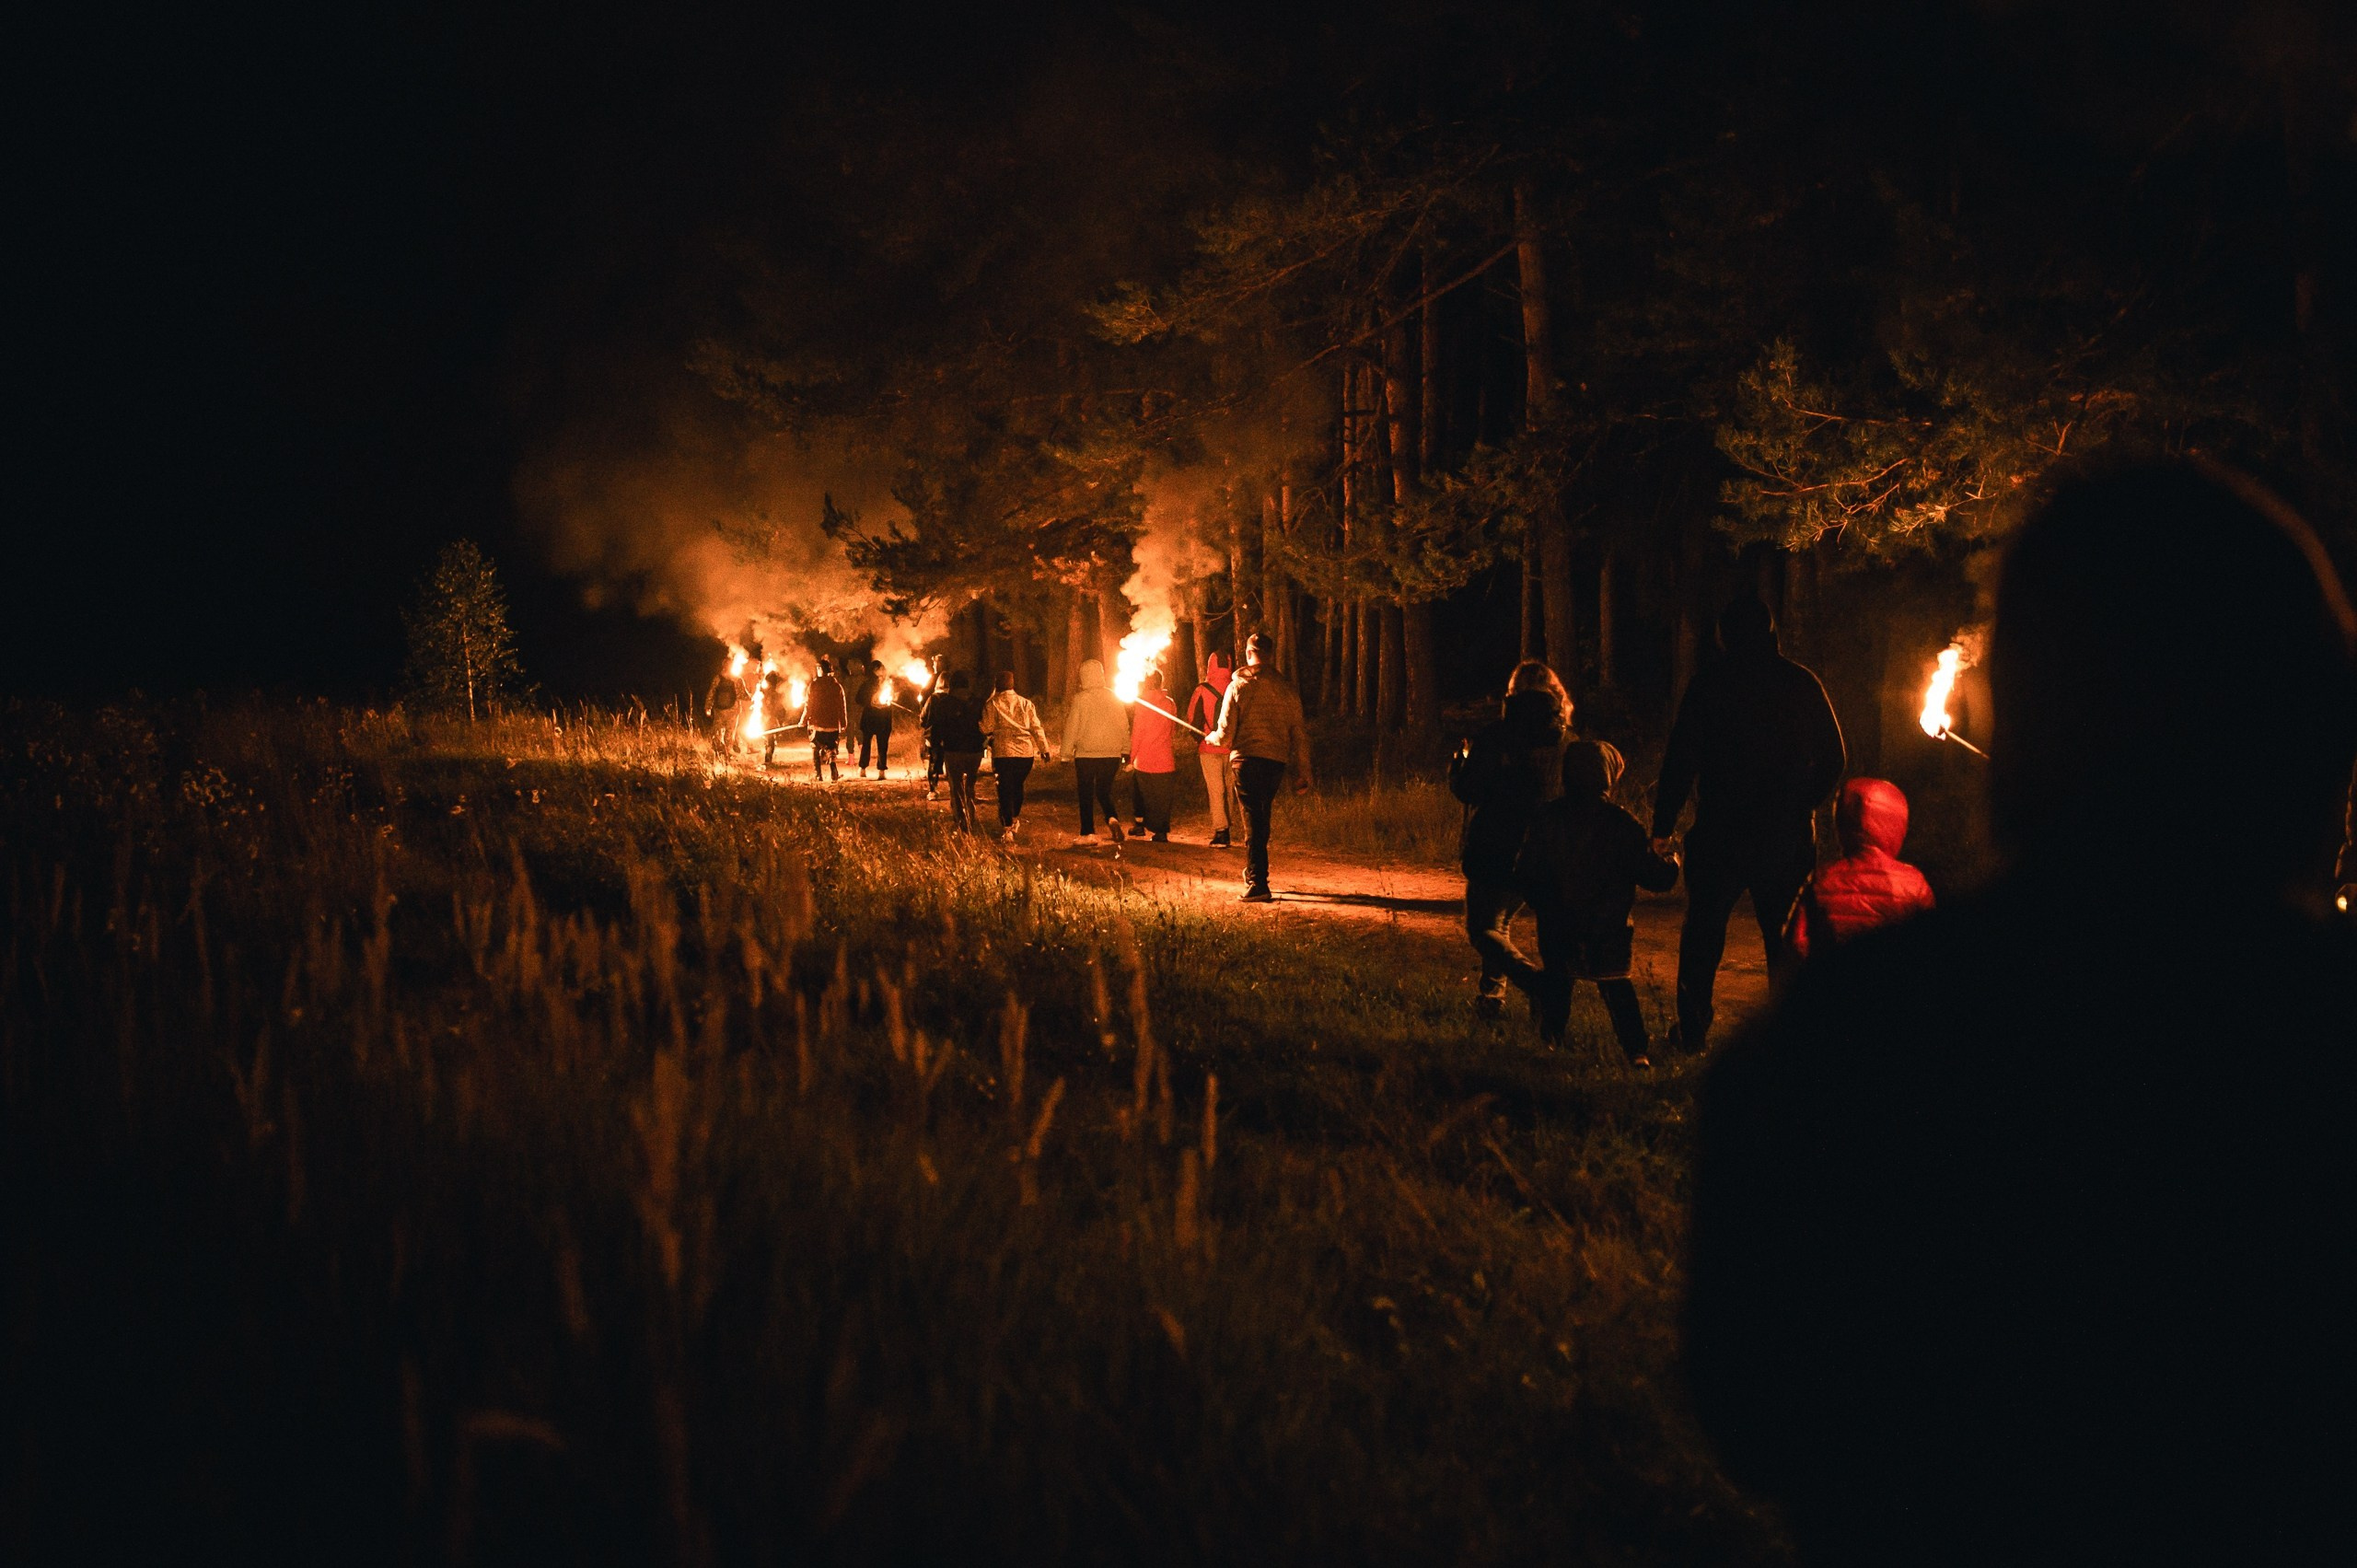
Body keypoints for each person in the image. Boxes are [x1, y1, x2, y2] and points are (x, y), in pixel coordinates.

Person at [1686, 462, 2357, 1566]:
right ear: (2308, 731)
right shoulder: (2321, 1045)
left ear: (2027, 720)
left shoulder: (1850, 1037)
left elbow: (1750, 1402)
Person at [1651, 596, 1846, 1052]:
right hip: (1785, 834)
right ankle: (1792, 1032)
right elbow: (1835, 757)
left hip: (1722, 829)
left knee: (1703, 933)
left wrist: (1663, 824)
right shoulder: (1800, 682)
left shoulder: (1709, 685)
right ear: (1771, 633)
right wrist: (1803, 804)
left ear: (1724, 637)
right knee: (1786, 937)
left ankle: (1692, 1030)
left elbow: (1681, 759)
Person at [1507, 739, 1680, 1064]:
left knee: (1558, 983)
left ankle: (1550, 1044)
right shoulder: (1622, 823)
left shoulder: (1547, 818)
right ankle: (1636, 1052)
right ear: (1607, 776)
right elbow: (1654, 877)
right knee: (1616, 986)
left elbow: (1525, 872)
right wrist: (1671, 861)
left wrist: (1544, 904)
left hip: (1557, 925)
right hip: (1609, 928)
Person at [1448, 660, 1574, 1019]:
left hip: (1497, 842)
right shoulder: (1565, 738)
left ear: (1513, 693)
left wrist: (1458, 766)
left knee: (1481, 928)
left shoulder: (1498, 735)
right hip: (1546, 847)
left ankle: (1536, 983)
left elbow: (1469, 789)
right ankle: (1491, 996)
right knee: (1499, 923)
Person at [1207, 632, 1313, 902]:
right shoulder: (1286, 689)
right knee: (1261, 818)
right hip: (1275, 762)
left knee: (1253, 819)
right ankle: (1255, 870)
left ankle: (1258, 882)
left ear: (1248, 653)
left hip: (1246, 760)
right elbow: (1299, 733)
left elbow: (1225, 734)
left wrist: (1212, 737)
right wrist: (1303, 771)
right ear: (1270, 654)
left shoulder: (1237, 686)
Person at [1782, 778, 1934, 959]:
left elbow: (1796, 944)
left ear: (1843, 822)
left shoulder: (1822, 879)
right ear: (1897, 824)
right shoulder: (1915, 884)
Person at [1062, 657, 1130, 847]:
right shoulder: (1115, 697)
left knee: (1086, 793)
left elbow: (1072, 726)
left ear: (1083, 676)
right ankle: (1112, 819)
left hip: (1086, 755)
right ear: (1101, 675)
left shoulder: (1080, 699)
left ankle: (1088, 833)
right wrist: (1125, 750)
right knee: (1103, 790)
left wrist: (1065, 754)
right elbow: (1123, 725)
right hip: (1111, 755)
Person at [980, 670, 1051, 836]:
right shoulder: (1026, 703)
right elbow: (1036, 727)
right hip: (1025, 754)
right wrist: (1044, 749)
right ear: (1013, 684)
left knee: (1004, 788)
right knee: (1017, 785)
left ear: (996, 684)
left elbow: (986, 727)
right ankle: (1015, 817)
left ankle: (1007, 827)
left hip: (1003, 752)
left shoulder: (992, 704)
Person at [1187, 652, 1239, 846]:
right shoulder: (1236, 687)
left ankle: (1221, 832)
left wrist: (1202, 739)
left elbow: (1193, 719)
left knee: (1216, 790)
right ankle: (1229, 827)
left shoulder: (1202, 690)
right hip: (1232, 748)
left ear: (1210, 665)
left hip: (1209, 748)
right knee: (1229, 789)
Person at [926, 669, 988, 832]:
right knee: (970, 784)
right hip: (975, 750)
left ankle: (960, 820)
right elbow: (986, 724)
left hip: (953, 750)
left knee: (956, 786)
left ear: (952, 686)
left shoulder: (944, 703)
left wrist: (935, 746)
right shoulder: (979, 703)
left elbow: (936, 727)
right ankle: (970, 817)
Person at [1127, 667, 1180, 842]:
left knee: (1143, 794)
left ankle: (1140, 825)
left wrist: (1131, 758)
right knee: (1162, 798)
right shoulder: (1170, 703)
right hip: (1165, 758)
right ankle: (1161, 831)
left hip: (1145, 760)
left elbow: (1138, 733)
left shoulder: (1142, 703)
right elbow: (1172, 729)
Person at [804, 656, 847, 782]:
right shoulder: (837, 686)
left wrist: (803, 720)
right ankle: (833, 765)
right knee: (831, 747)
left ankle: (818, 775)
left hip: (817, 724)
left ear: (820, 669)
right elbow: (842, 706)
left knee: (815, 747)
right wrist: (843, 723)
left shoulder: (813, 686)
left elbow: (808, 705)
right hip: (833, 725)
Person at [853, 659, 894, 777]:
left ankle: (875, 770)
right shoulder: (868, 684)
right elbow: (858, 699)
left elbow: (891, 698)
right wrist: (871, 700)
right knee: (876, 744)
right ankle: (868, 769)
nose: (883, 671)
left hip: (877, 717)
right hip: (875, 718)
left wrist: (889, 700)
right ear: (874, 670)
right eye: (880, 668)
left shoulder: (887, 684)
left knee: (876, 744)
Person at [918, 655, 947, 799]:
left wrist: (926, 726)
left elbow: (923, 718)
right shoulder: (954, 698)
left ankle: (933, 790)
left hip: (933, 734)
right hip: (950, 735)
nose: (935, 664)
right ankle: (958, 791)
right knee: (950, 761)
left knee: (933, 761)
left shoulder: (933, 698)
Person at [704, 659, 748, 754]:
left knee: (718, 731)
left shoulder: (717, 678)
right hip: (733, 710)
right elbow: (743, 696)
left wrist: (708, 707)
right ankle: (728, 751)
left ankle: (718, 750)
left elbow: (711, 693)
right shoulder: (737, 679)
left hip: (719, 710)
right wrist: (751, 696)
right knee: (730, 732)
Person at [758, 664, 791, 767]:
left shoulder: (763, 693)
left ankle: (768, 759)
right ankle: (768, 759)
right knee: (770, 740)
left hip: (766, 720)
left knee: (769, 740)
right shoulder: (774, 695)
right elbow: (781, 710)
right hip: (770, 720)